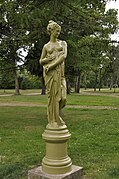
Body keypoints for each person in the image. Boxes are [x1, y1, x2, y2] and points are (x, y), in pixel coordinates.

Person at [40, 20, 67, 126]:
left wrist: (51, 64)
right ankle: (54, 119)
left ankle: (57, 114)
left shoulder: (63, 43)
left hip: (60, 73)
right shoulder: (46, 46)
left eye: (59, 31)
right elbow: (41, 61)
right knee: (53, 97)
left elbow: (63, 56)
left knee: (63, 98)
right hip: (50, 74)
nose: (58, 33)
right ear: (51, 31)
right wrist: (48, 59)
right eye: (57, 31)